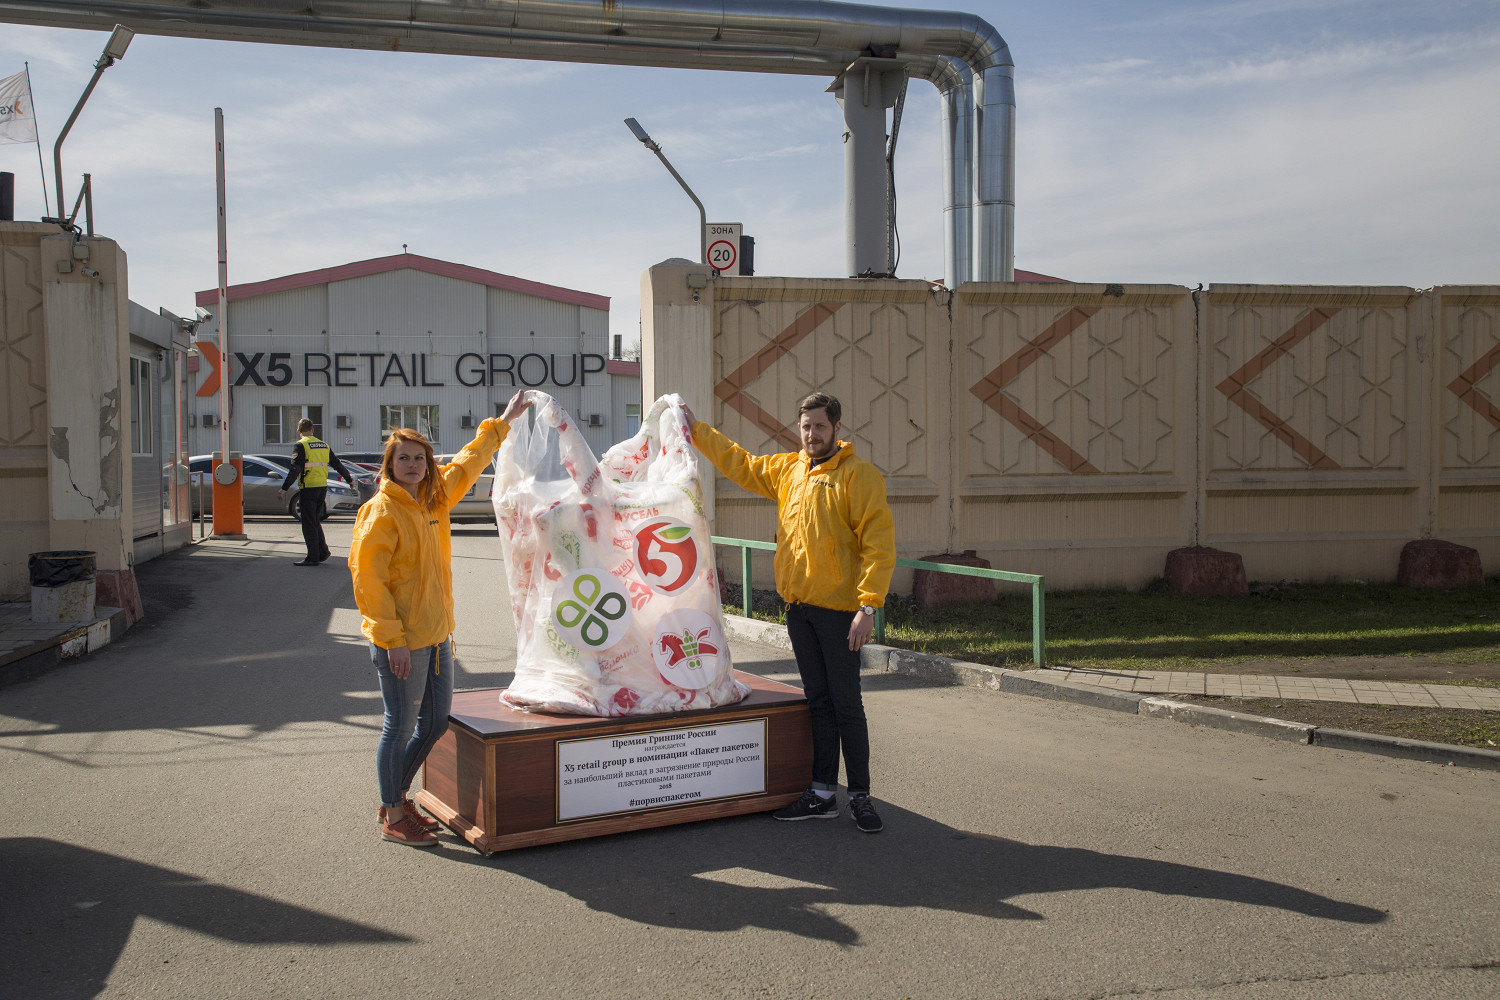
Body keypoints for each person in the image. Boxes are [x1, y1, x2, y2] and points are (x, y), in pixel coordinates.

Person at [684, 391, 895, 833]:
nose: (812, 434)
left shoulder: (859, 476)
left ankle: (859, 795)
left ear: (837, 428)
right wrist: (697, 430)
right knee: (817, 702)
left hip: (840, 613)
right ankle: (822, 792)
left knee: (846, 705)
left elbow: (878, 544)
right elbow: (741, 464)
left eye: (820, 426)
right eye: (805, 426)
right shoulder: (787, 470)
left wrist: (868, 606)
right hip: (799, 610)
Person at [349, 391, 532, 847]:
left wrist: (503, 421)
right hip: (402, 641)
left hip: (436, 637)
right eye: (403, 458)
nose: (412, 465)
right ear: (388, 465)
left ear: (429, 465)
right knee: (399, 723)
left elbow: (469, 463)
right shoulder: (381, 512)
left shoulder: (433, 501)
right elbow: (368, 583)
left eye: (420, 458)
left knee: (434, 723)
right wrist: (392, 640)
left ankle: (396, 796)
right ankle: (393, 811)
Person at [277, 418, 355, 566]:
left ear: (299, 431)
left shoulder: (301, 445)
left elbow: (295, 468)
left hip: (308, 488)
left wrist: (284, 488)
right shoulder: (324, 445)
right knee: (314, 521)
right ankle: (323, 552)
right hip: (322, 488)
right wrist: (349, 479)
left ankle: (313, 557)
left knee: (308, 523)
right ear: (313, 430)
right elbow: (337, 464)